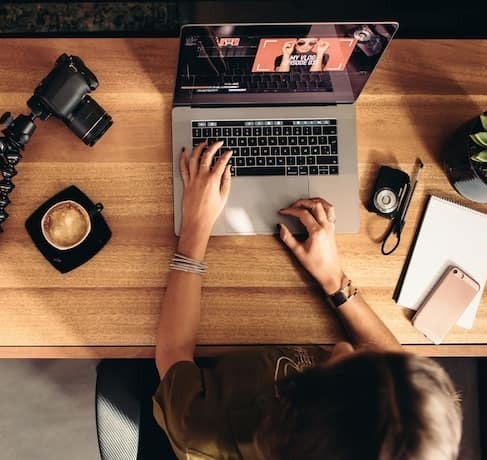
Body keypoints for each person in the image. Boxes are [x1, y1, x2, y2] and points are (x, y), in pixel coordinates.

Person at [153, 141, 462, 459]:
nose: (342, 346)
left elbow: (173, 351)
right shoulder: (420, 434)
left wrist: (194, 228)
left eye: (335, 367)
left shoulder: (202, 432)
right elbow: (392, 360)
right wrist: (335, 282)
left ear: (295, 413)